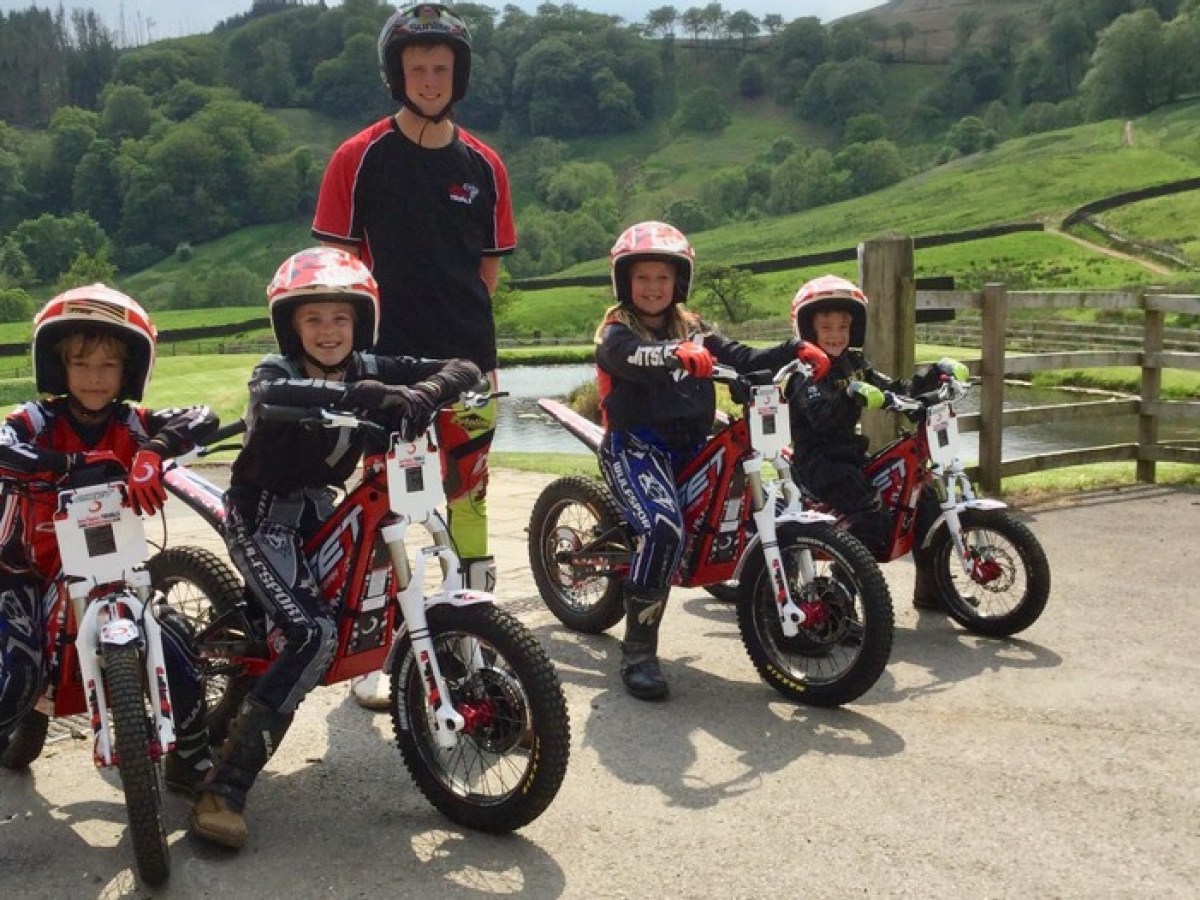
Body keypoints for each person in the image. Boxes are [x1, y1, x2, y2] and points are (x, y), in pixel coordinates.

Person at [189, 246, 482, 850]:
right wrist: (366, 398)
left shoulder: (368, 362)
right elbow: (277, 400)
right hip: (260, 516)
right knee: (313, 634)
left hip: (322, 507)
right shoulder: (274, 372)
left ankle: (481, 706)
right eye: (313, 319)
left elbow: (465, 366)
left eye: (340, 319)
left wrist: (423, 392)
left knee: (382, 599)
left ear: (360, 323)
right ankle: (226, 784)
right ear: (291, 326)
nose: (328, 331)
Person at [311, 3, 512, 596]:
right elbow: (334, 274)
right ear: (397, 74)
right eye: (418, 67)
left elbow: (487, 273)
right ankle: (385, 642)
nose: (429, 80)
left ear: (459, 76)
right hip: (383, 364)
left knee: (469, 496)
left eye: (441, 69)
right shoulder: (358, 156)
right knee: (387, 500)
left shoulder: (486, 166)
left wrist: (467, 348)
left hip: (469, 364)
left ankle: (473, 621)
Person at [595, 221, 829, 701]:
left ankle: (790, 606)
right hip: (635, 446)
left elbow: (741, 354)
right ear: (625, 282)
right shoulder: (615, 332)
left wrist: (794, 349)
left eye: (663, 278)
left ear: (679, 281)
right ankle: (638, 650)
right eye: (643, 278)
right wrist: (672, 354)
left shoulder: (694, 326)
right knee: (663, 529)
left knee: (747, 503)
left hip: (693, 442)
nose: (654, 287)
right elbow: (633, 357)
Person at [0, 285, 217, 792]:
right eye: (81, 365)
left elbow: (202, 416)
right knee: (17, 675)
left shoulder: (132, 423)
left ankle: (191, 751)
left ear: (129, 371)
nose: (95, 378)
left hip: (112, 570)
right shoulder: (38, 419)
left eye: (108, 366)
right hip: (26, 569)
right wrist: (66, 464)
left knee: (176, 639)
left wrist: (153, 452)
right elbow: (4, 443)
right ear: (59, 368)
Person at [785, 274, 968, 610]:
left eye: (843, 327)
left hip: (852, 456)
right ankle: (838, 599)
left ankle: (932, 587)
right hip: (819, 464)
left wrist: (935, 373)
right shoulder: (803, 372)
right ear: (809, 329)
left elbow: (896, 388)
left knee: (923, 497)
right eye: (827, 328)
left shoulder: (854, 363)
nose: (836, 335)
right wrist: (850, 396)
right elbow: (821, 417)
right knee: (868, 514)